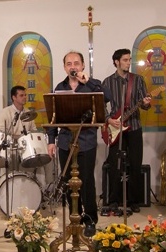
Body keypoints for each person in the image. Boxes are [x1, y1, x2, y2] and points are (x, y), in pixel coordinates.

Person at [46, 51, 111, 229]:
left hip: (87, 141)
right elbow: (53, 116)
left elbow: (108, 97)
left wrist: (86, 81)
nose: (72, 67)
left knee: (86, 181)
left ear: (82, 66)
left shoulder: (93, 84)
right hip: (66, 141)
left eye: (76, 63)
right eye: (69, 64)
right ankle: (75, 217)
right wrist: (51, 140)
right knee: (68, 182)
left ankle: (90, 219)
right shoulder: (59, 87)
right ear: (64, 67)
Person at [102, 48, 151, 213]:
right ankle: (113, 199)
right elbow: (100, 106)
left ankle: (133, 200)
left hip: (135, 126)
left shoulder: (137, 80)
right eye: (125, 60)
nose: (128, 63)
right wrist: (109, 119)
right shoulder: (107, 82)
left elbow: (146, 105)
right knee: (114, 164)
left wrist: (145, 102)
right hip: (116, 128)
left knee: (135, 164)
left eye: (130, 60)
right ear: (116, 62)